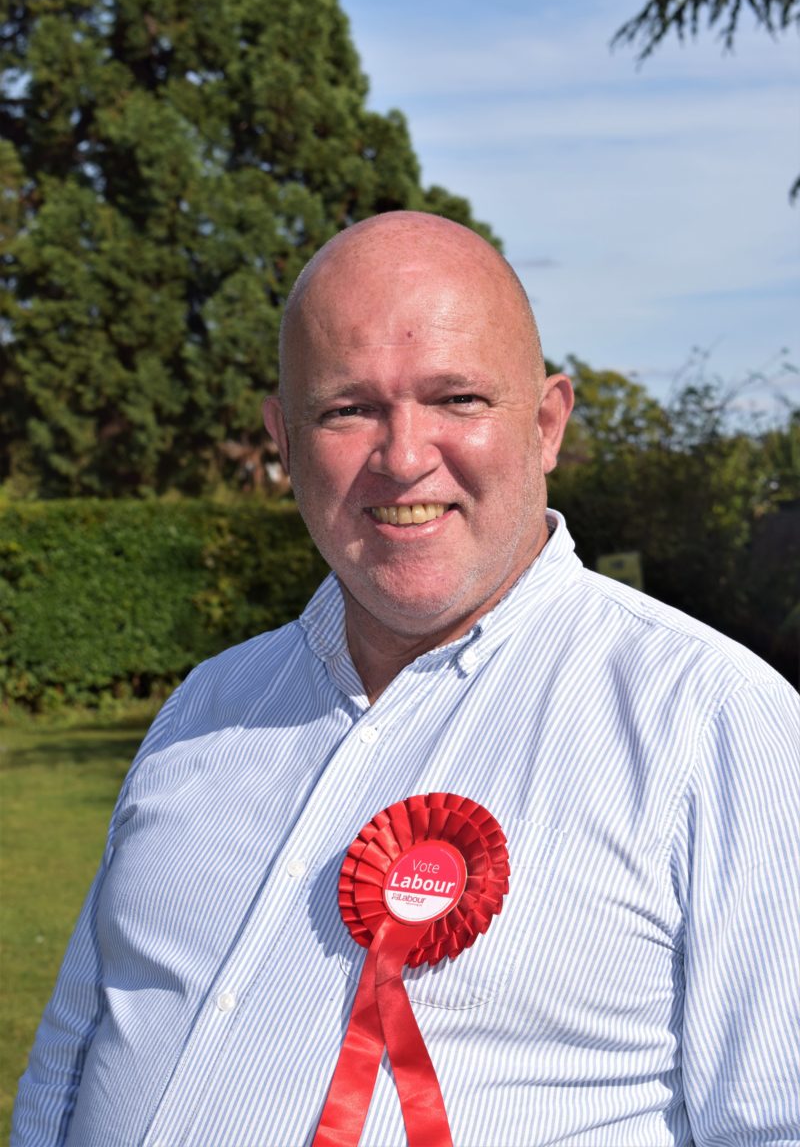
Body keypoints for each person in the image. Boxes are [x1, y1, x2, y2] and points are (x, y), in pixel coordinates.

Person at [13, 213, 800, 1147]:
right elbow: (73, 1056)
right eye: (348, 408)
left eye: (458, 399)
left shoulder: (715, 724)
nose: (403, 456)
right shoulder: (205, 709)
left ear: (547, 425)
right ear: (284, 440)